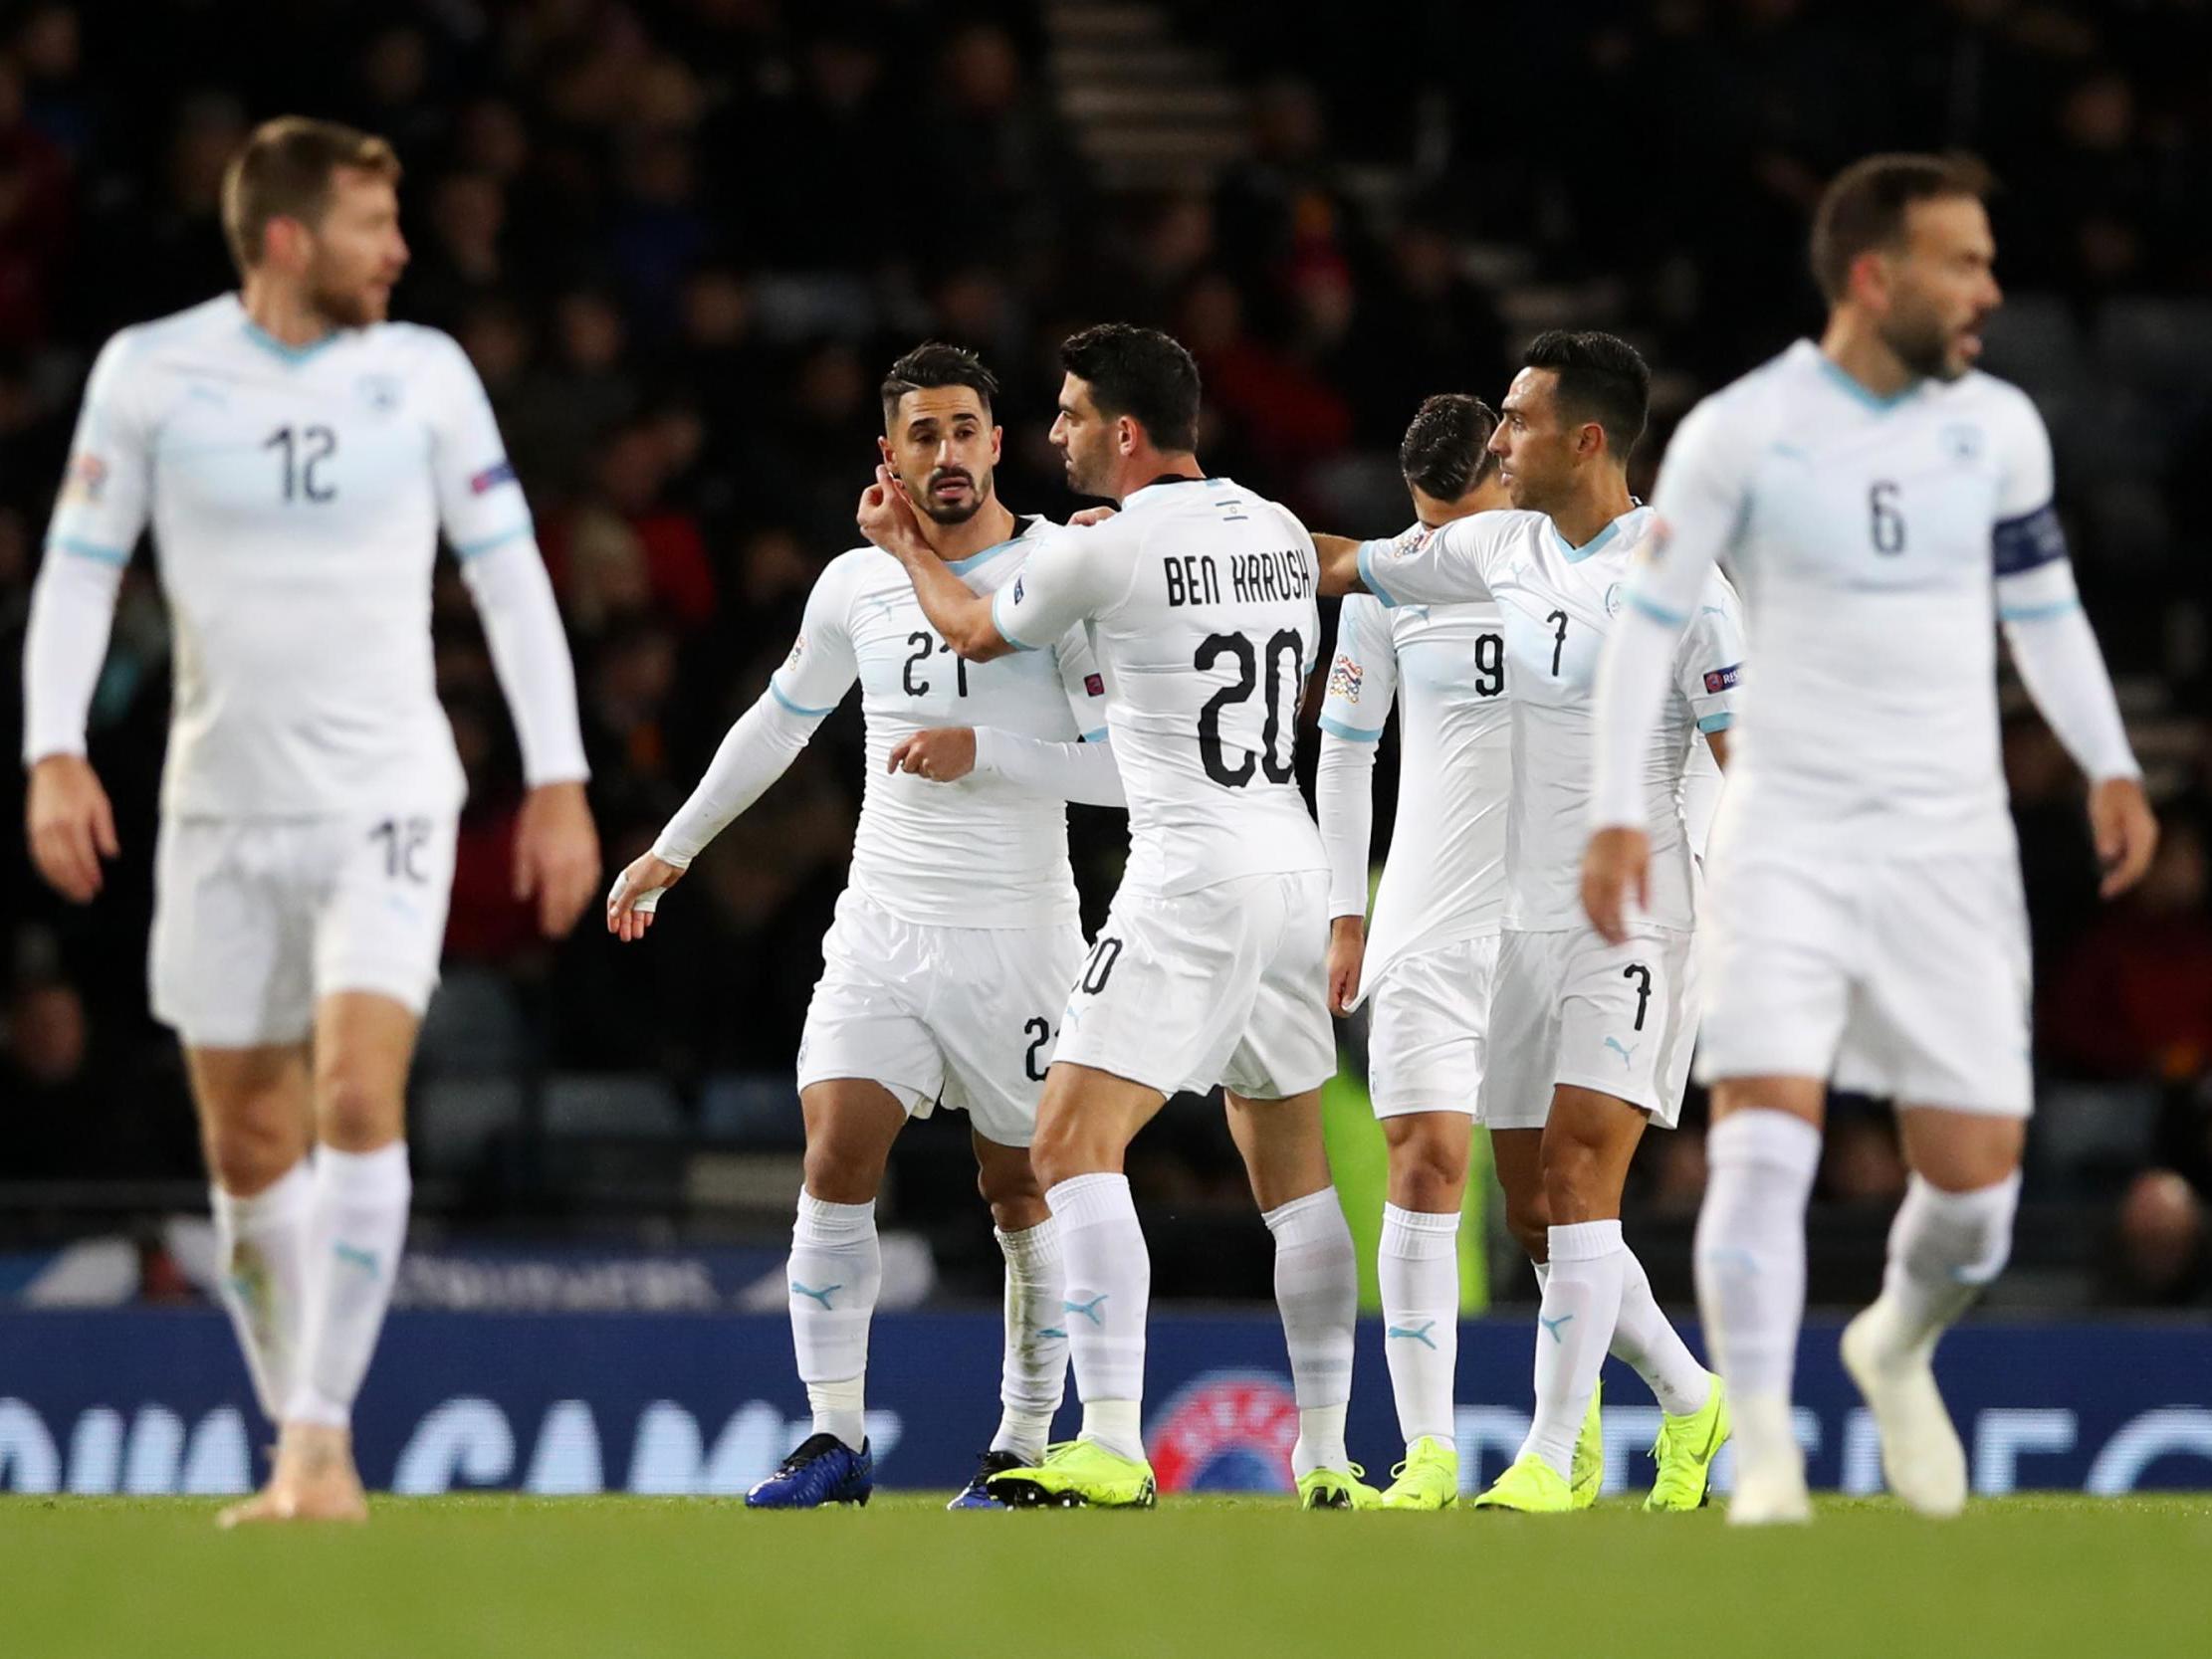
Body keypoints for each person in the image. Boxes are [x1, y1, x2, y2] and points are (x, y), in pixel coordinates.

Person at [21, 117, 599, 1524]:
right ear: (287, 238)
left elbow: (514, 580)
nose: (402, 250)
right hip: (219, 809)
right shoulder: (149, 371)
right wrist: (52, 749)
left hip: (384, 794)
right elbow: (81, 568)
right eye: (372, 226)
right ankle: (299, 1431)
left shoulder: (425, 376)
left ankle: (323, 1437)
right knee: (244, 1145)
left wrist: (560, 775)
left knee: (354, 1092)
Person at [1580, 153, 2158, 1525]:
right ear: (1872, 275)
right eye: (1962, 262)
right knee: (1762, 1135)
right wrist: (1614, 807)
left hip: (1950, 849)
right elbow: (1648, 626)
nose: (1989, 290)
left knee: (1974, 1199)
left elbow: (2044, 606)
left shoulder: (2000, 427)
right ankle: (1766, 1448)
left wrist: (2112, 762)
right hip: (1786, 832)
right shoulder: (1741, 430)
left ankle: (1891, 1340)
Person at [855, 322, 1371, 1510]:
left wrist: (898, 545)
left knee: (1064, 1145)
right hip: (1290, 865)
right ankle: (1330, 1454)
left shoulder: (1107, 549)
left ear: (1124, 433)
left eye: (1072, 413)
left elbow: (973, 629)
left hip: (1189, 873)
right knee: (1293, 1178)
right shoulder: (1271, 527)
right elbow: (1332, 560)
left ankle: (1113, 1439)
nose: (1053, 433)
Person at [606, 342, 1116, 1510]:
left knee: (1019, 1191)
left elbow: (1121, 770)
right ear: (887, 454)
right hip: (882, 924)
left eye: (963, 429)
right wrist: (675, 845)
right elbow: (778, 720)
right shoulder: (854, 583)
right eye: (921, 434)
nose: (945, 453)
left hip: (1020, 933)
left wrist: (984, 750)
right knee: (833, 1154)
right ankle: (833, 1436)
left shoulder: (1065, 570)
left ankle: (1022, 1438)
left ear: (999, 441)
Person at [1314, 332, 1737, 1514]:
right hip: (1515, 923)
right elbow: (1346, 563)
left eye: (1516, 418)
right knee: (1537, 1206)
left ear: (1584, 438)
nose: (1496, 437)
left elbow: (1742, 757)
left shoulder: (1683, 575)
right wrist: (1190, 542)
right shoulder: (1497, 546)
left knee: (1576, 1173)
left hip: (1636, 919)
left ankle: (1551, 1456)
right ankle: (1689, 1400)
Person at [1313, 393, 1512, 1510]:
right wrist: (1348, 911)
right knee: (1422, 1158)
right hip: (1428, 914)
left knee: (1552, 1193)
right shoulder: (1392, 582)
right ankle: (1428, 1449)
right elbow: (1344, 754)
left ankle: (1662, 1396)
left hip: (1548, 915)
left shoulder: (1570, 566)